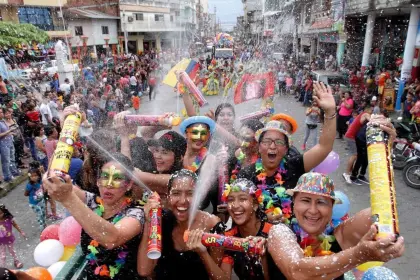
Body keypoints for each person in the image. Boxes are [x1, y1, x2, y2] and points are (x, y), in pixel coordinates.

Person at [268, 172, 405, 280]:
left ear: (332, 207)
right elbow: (297, 271)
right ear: (294, 203)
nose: (313, 210)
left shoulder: (341, 235)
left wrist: (382, 146)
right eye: (305, 200)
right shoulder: (279, 232)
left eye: (321, 202)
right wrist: (359, 255)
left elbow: (381, 208)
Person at [238, 82, 336, 223]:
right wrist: (263, 218)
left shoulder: (295, 166)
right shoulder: (246, 174)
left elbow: (324, 147)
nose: (272, 146)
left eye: (279, 142)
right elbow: (240, 212)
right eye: (267, 141)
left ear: (286, 149)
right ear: (259, 147)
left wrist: (330, 112)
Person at [43, 153, 145, 280]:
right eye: (105, 176)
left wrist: (68, 199)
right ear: (97, 181)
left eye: (117, 178)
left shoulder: (136, 213)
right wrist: (54, 173)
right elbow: (62, 185)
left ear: (129, 184)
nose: (109, 184)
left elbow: (112, 238)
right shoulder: (93, 202)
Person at [137, 169, 226, 280]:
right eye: (176, 193)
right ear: (168, 196)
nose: (183, 200)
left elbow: (218, 278)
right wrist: (148, 222)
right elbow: (144, 270)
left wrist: (203, 253)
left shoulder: (212, 225)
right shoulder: (161, 220)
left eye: (190, 193)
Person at [220, 179, 282, 279]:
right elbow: (223, 278)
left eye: (242, 199)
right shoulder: (229, 237)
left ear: (255, 205)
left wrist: (263, 256)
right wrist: (203, 253)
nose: (235, 206)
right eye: (231, 200)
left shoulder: (273, 233)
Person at [342, 105, 372, 184]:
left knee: (356, 155)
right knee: (354, 155)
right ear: (367, 109)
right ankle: (347, 174)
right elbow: (372, 120)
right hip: (350, 136)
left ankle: (351, 172)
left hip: (352, 136)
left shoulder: (361, 115)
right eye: (371, 111)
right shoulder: (365, 114)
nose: (372, 113)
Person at [0, 204, 25, 269]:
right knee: (3, 255)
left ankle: (16, 261)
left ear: (4, 212)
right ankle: (2, 268)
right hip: (0, 241)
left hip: (9, 238)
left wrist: (21, 232)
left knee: (12, 251)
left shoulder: (9, 219)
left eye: (0, 213)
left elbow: (15, 225)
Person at [0, 108, 19, 183]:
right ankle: (7, 176)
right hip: (3, 144)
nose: (1, 113)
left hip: (9, 141)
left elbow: (5, 132)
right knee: (6, 161)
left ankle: (14, 172)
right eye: (0, 112)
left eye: (1, 112)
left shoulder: (3, 121)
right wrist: (9, 131)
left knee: (12, 158)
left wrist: (11, 133)